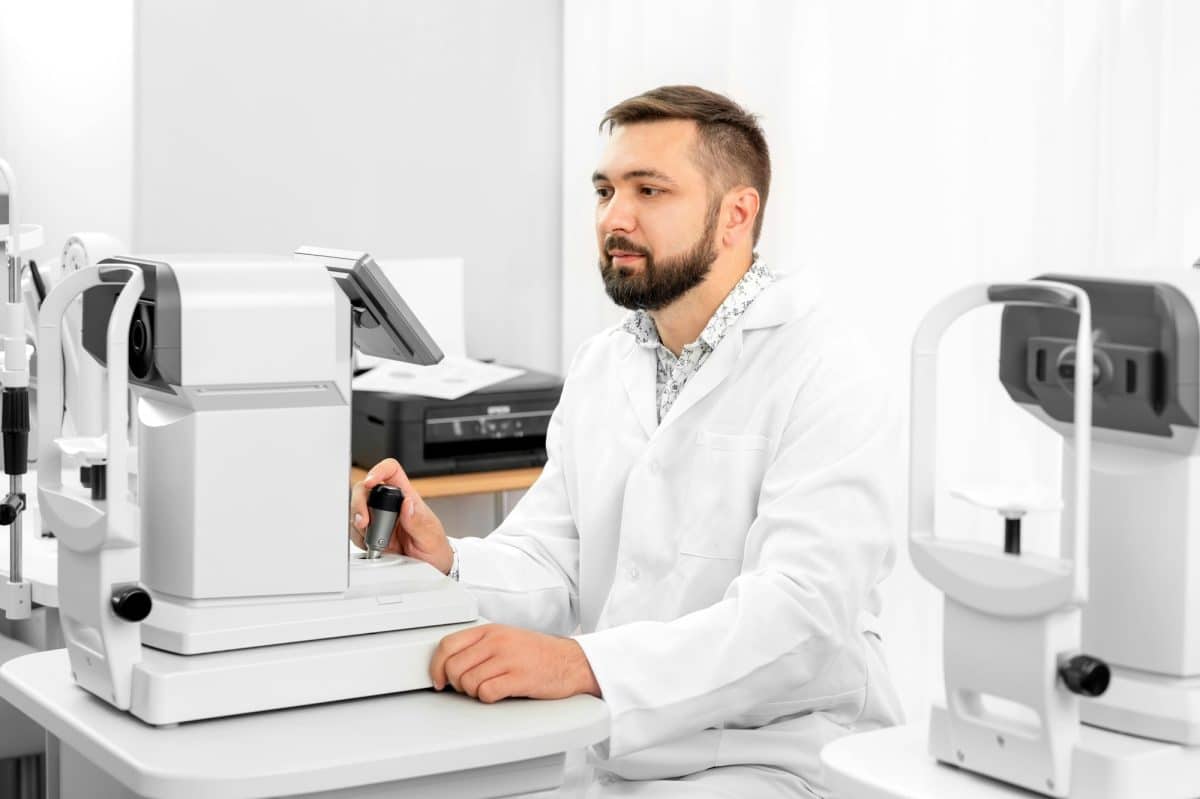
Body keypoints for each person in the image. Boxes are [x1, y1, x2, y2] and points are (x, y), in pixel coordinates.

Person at [350, 85, 903, 798]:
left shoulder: (828, 368)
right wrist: (448, 557)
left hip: (777, 755)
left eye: (650, 189)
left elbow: (797, 617)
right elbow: (553, 556)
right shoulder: (606, 362)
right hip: (612, 745)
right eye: (605, 189)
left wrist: (580, 665)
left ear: (737, 213)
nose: (615, 216)